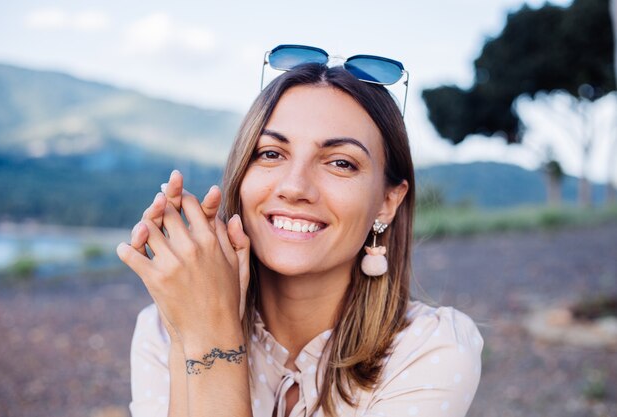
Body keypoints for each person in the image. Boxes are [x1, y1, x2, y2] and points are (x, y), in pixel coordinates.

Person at [117, 46, 484, 417]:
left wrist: (211, 340)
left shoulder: (432, 348)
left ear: (388, 201)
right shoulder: (160, 331)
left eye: (340, 162)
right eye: (271, 154)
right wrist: (189, 335)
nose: (294, 187)